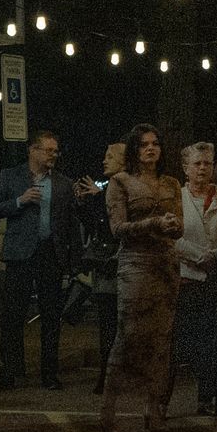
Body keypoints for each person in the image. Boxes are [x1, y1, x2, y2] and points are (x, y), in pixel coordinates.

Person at [0, 130, 84, 391]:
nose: (53, 155)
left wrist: (74, 259)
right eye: (48, 150)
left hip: (50, 254)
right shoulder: (11, 176)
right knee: (12, 315)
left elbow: (71, 223)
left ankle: (49, 374)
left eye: (55, 151)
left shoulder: (63, 183)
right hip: (20, 254)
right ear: (33, 150)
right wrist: (20, 201)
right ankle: (9, 372)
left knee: (51, 316)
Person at [101, 124, 183, 432]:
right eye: (144, 144)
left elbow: (179, 228)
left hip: (166, 264)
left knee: (161, 339)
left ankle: (153, 407)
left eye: (155, 144)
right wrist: (153, 223)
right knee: (129, 335)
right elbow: (118, 229)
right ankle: (109, 407)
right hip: (136, 264)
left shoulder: (172, 184)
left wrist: (173, 225)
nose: (151, 149)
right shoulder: (120, 183)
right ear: (135, 150)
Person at [173, 141, 217, 416]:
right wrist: (199, 256)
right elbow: (171, 236)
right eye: (197, 163)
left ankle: (208, 396)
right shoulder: (176, 197)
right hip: (187, 278)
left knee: (214, 340)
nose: (202, 168)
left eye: (207, 163)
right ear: (185, 168)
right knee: (186, 340)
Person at [79, 142, 125, 395]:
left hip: (119, 265)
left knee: (118, 324)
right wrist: (84, 204)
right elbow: (95, 227)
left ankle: (113, 376)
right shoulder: (105, 190)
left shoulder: (123, 188)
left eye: (110, 157)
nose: (104, 161)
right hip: (104, 266)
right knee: (107, 322)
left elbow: (114, 227)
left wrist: (98, 201)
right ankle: (106, 375)